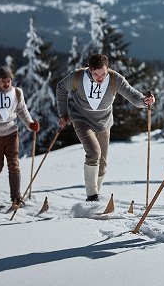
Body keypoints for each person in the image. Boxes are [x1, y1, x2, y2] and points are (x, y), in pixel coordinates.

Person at [56, 53, 155, 202]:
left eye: (103, 73)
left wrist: (144, 100)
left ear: (107, 69)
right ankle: (92, 197)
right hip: (81, 119)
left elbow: (131, 94)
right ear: (90, 70)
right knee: (94, 152)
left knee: (102, 164)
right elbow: (61, 88)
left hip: (103, 122)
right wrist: (63, 113)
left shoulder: (115, 79)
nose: (100, 78)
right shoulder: (77, 77)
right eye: (96, 74)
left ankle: (95, 194)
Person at [0, 67, 38, 205]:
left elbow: (22, 110)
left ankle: (16, 197)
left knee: (14, 164)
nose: (6, 84)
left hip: (11, 133)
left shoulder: (17, 92)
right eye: (3, 81)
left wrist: (30, 124)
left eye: (9, 80)